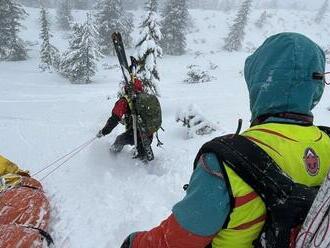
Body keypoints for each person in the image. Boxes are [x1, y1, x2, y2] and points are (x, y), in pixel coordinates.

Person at [120, 32, 330, 247]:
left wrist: (134, 242)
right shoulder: (327, 144)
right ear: (316, 87)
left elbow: (176, 241)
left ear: (258, 82)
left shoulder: (225, 161)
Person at [97, 78, 154, 161]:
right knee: (143, 154)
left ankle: (110, 159)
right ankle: (148, 166)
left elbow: (114, 119)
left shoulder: (125, 101)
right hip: (148, 134)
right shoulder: (145, 99)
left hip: (135, 134)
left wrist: (104, 131)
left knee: (120, 140)